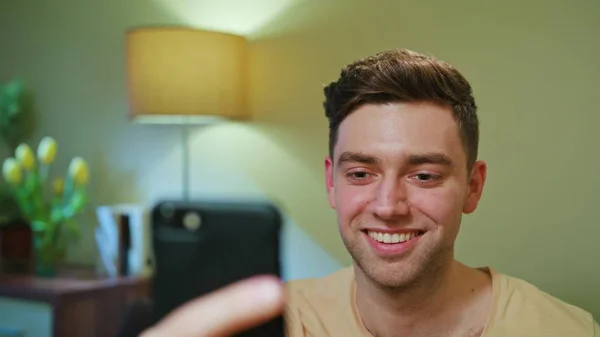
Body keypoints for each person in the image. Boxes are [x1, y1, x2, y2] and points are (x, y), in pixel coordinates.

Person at [140, 49, 599, 337]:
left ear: (473, 187)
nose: (388, 207)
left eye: (424, 176)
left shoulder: (562, 330)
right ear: (331, 184)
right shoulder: (274, 324)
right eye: (360, 174)